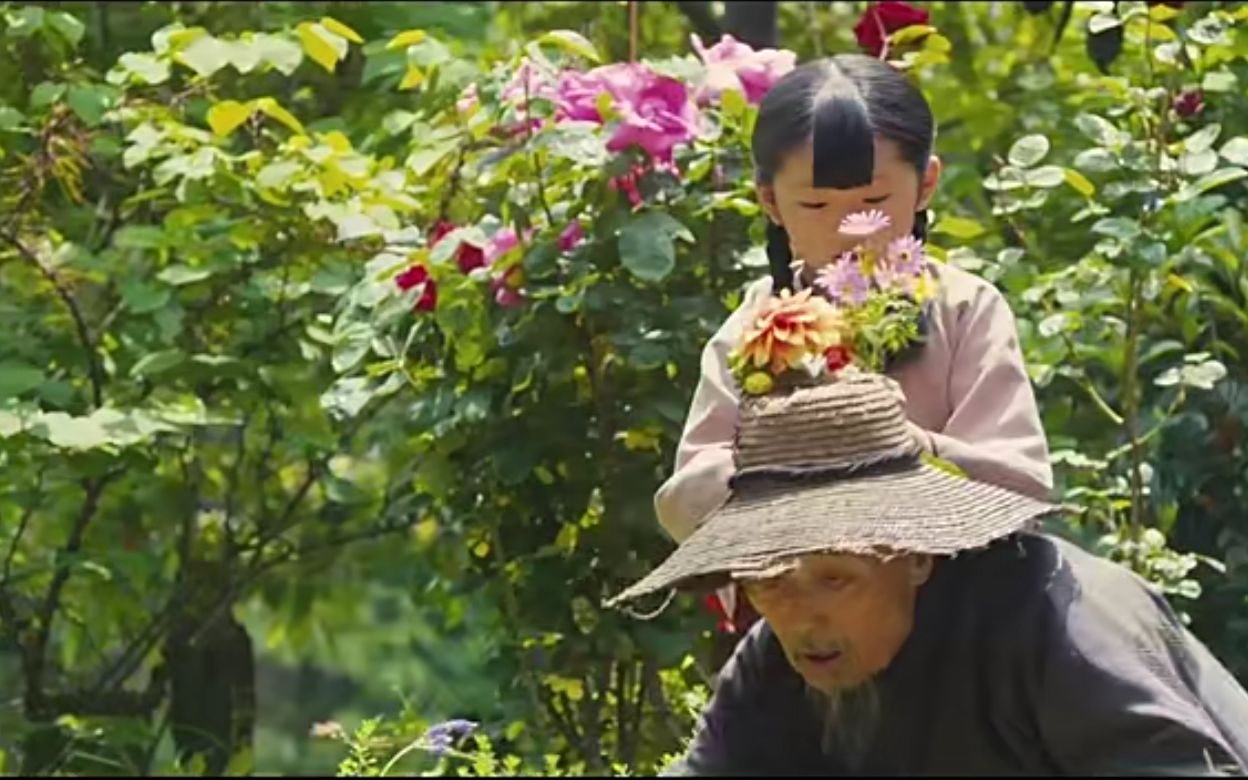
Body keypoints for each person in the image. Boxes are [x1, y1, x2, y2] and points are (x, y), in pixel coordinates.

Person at [608, 370, 1248, 776]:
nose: (803, 619)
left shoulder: (1059, 620)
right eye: (768, 582)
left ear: (916, 555)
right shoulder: (772, 664)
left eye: (835, 579)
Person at [656, 55, 1054, 629]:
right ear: (770, 202)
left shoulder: (966, 309)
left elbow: (1022, 488)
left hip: (956, 623)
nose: (848, 230)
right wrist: (784, 450)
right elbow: (685, 503)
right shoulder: (753, 329)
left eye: (872, 203)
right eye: (816, 205)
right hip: (801, 629)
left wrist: (898, 444)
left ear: (927, 184)